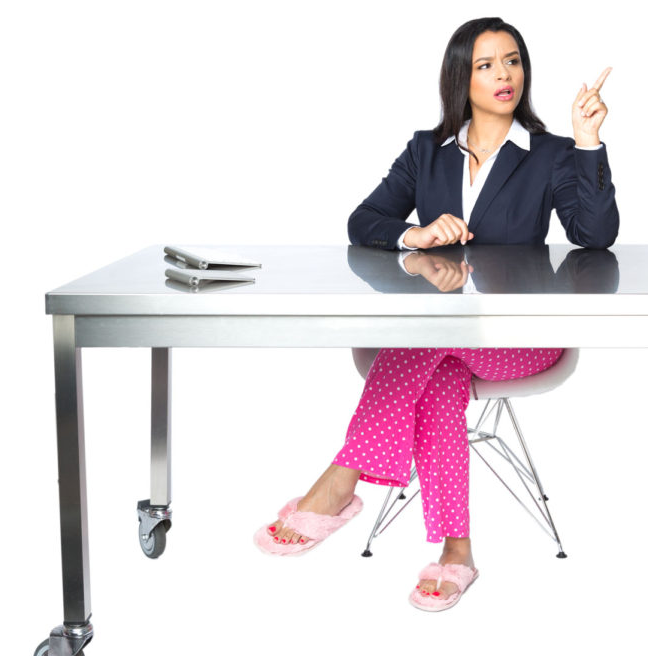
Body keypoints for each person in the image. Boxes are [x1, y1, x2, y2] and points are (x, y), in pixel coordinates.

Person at [255, 16, 618, 611]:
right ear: (460, 77)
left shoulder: (551, 153)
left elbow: (595, 236)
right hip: (439, 342)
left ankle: (341, 480)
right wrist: (416, 234)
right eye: (485, 65)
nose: (504, 75)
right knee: (441, 366)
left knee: (428, 341)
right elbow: (363, 222)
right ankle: (457, 552)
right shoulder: (426, 151)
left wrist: (586, 142)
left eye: (513, 61)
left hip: (520, 338)